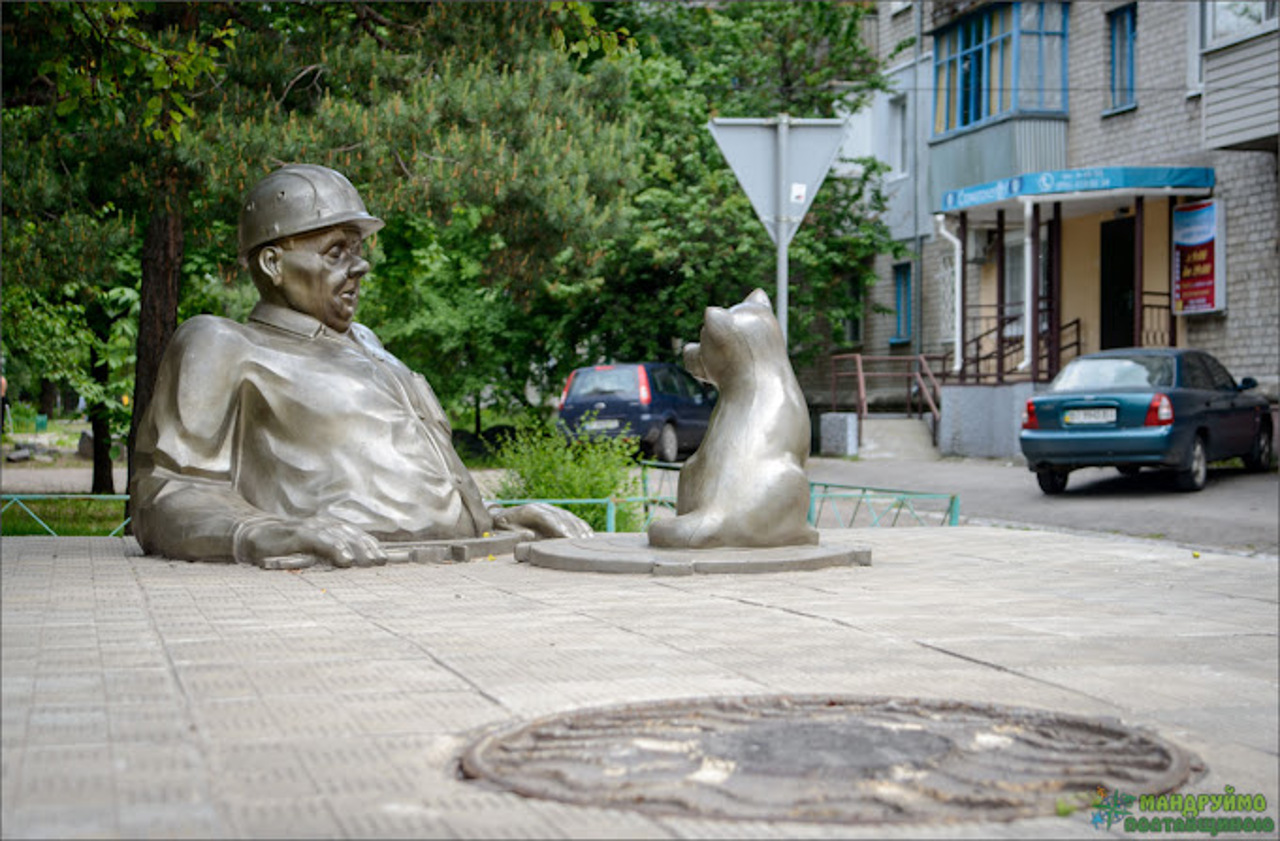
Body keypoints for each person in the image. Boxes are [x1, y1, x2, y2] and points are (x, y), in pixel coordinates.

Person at [131, 164, 591, 568]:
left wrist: (493, 517)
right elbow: (164, 491)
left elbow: (376, 469)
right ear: (273, 262)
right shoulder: (222, 343)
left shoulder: (368, 344)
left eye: (357, 249)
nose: (361, 266)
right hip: (348, 587)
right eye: (337, 252)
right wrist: (262, 532)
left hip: (450, 575)